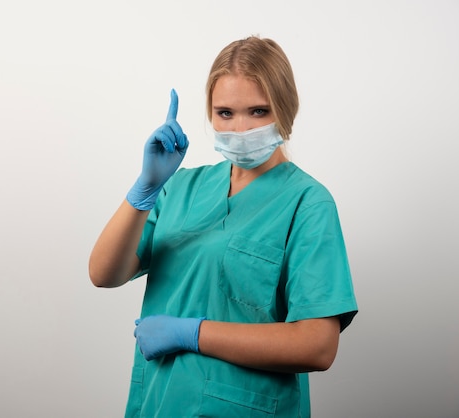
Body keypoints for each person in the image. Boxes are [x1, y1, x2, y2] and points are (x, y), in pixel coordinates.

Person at [88, 35, 358, 418]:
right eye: (225, 113)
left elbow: (317, 345)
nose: (241, 128)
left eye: (259, 111)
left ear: (287, 110)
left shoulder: (308, 203)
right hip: (160, 404)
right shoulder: (181, 188)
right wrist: (144, 191)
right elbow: (103, 274)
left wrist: (192, 333)